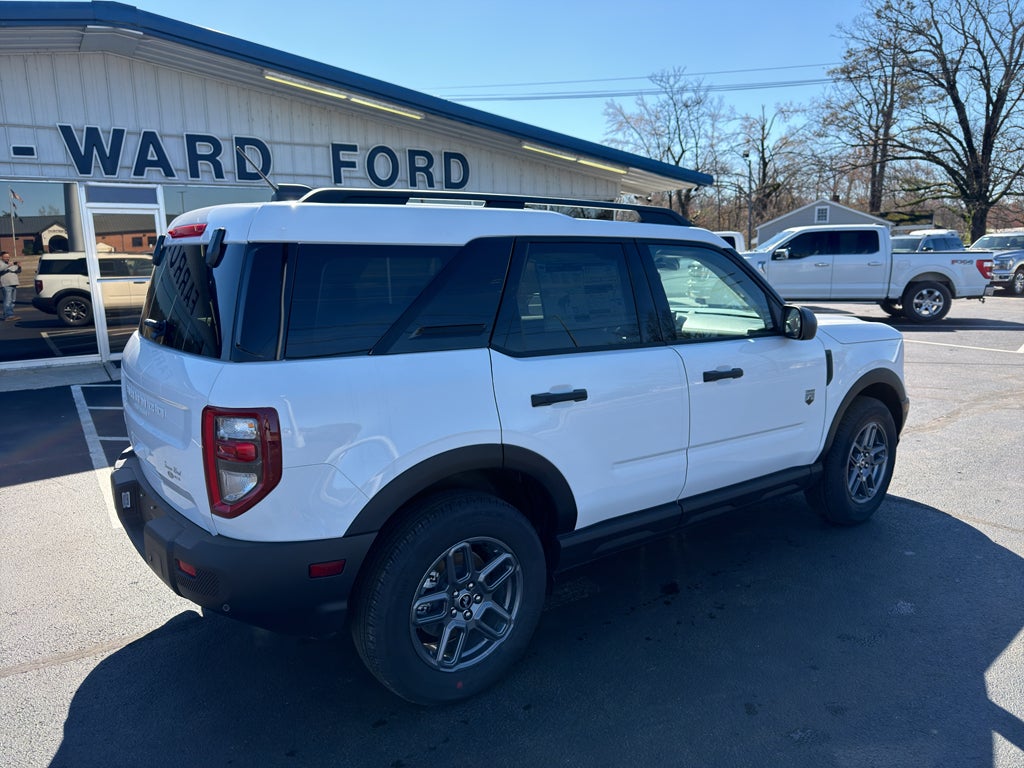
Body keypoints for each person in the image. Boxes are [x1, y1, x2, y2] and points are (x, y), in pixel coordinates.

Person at [1, 250, 22, 321]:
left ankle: (9, 314)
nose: (7, 258)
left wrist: (19, 266)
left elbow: (18, 271)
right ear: (1, 257)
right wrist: (10, 265)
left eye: (8, 257)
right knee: (8, 300)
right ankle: (8, 315)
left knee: (13, 300)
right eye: (6, 257)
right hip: (6, 284)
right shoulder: (1, 263)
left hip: (13, 283)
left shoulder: (10, 263)